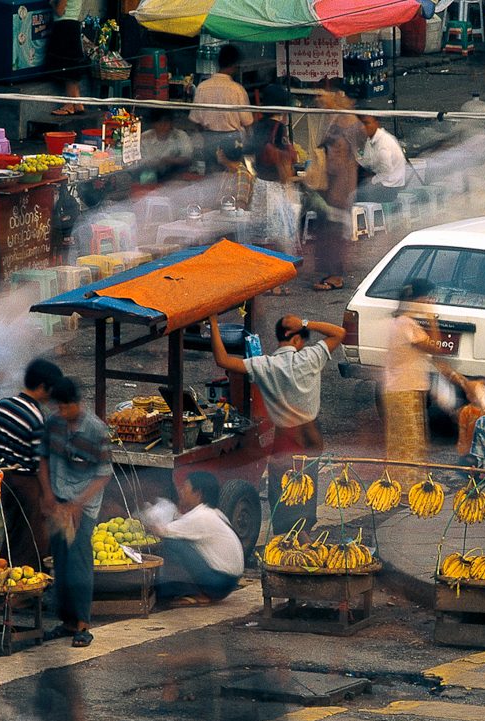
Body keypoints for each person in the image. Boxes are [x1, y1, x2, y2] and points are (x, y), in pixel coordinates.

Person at [209, 311, 344, 539]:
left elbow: (222, 360)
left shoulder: (266, 365)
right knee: (305, 489)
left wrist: (213, 322)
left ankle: (288, 538)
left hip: (285, 438)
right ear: (297, 340)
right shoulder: (310, 357)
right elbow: (339, 333)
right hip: (311, 436)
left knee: (282, 490)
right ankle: (302, 536)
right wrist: (304, 321)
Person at [38, 378, 113, 648]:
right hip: (58, 501)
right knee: (60, 560)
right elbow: (43, 459)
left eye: (65, 408)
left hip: (84, 505)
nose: (61, 413)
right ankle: (67, 621)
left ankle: (83, 624)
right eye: (58, 408)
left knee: (79, 561)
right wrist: (48, 494)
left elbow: (103, 475)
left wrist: (78, 503)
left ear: (76, 405)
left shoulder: (96, 430)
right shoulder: (53, 424)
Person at [0, 358, 63, 572]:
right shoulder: (36, 418)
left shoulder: (3, 405)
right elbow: (40, 462)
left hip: (4, 480)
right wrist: (48, 494)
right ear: (42, 387)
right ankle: (23, 593)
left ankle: (1, 577)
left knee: (13, 531)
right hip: (27, 483)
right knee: (30, 538)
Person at [385, 280, 449, 481]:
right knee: (409, 442)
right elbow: (436, 347)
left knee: (402, 440)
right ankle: (406, 487)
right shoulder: (406, 324)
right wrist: (432, 319)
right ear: (417, 300)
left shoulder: (402, 322)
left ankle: (399, 484)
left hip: (402, 388)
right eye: (427, 298)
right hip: (405, 389)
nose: (430, 301)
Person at [146, 471, 243, 606]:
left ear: (197, 494)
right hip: (229, 581)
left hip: (219, 582)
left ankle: (184, 591)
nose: (181, 492)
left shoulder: (201, 517)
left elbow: (161, 531)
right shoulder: (214, 513)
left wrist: (141, 518)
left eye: (185, 488)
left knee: (169, 544)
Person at [311, 90, 364, 291]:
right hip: (329, 179)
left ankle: (336, 275)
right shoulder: (334, 120)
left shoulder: (354, 125)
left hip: (342, 182)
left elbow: (352, 154)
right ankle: (328, 270)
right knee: (326, 227)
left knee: (336, 228)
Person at [190, 45, 258, 169]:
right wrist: (250, 145)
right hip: (232, 140)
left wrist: (207, 133)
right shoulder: (237, 89)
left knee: (211, 179)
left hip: (209, 139)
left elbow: (196, 121)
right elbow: (248, 123)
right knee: (232, 178)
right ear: (234, 65)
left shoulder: (202, 87)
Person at [46, 0, 86, 115]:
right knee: (72, 67)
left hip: (64, 27)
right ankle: (78, 103)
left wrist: (52, 3)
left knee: (67, 68)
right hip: (73, 25)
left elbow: (60, 11)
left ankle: (69, 105)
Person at [355, 115, 407, 204]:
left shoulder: (383, 144)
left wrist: (371, 180)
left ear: (376, 123)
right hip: (381, 179)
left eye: (367, 123)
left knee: (354, 196)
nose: (363, 127)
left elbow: (387, 172)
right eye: (361, 124)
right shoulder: (371, 139)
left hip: (389, 187)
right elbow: (367, 161)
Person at [136, 110, 196, 184]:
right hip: (149, 178)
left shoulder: (181, 136)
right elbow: (139, 162)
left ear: (171, 123)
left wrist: (170, 160)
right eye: (159, 122)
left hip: (175, 177)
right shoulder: (145, 137)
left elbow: (188, 158)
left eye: (166, 121)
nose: (163, 125)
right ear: (153, 124)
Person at [214, 141, 255, 211]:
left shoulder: (243, 174)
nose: (217, 152)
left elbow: (240, 207)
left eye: (219, 150)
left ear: (224, 153)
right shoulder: (227, 173)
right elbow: (218, 204)